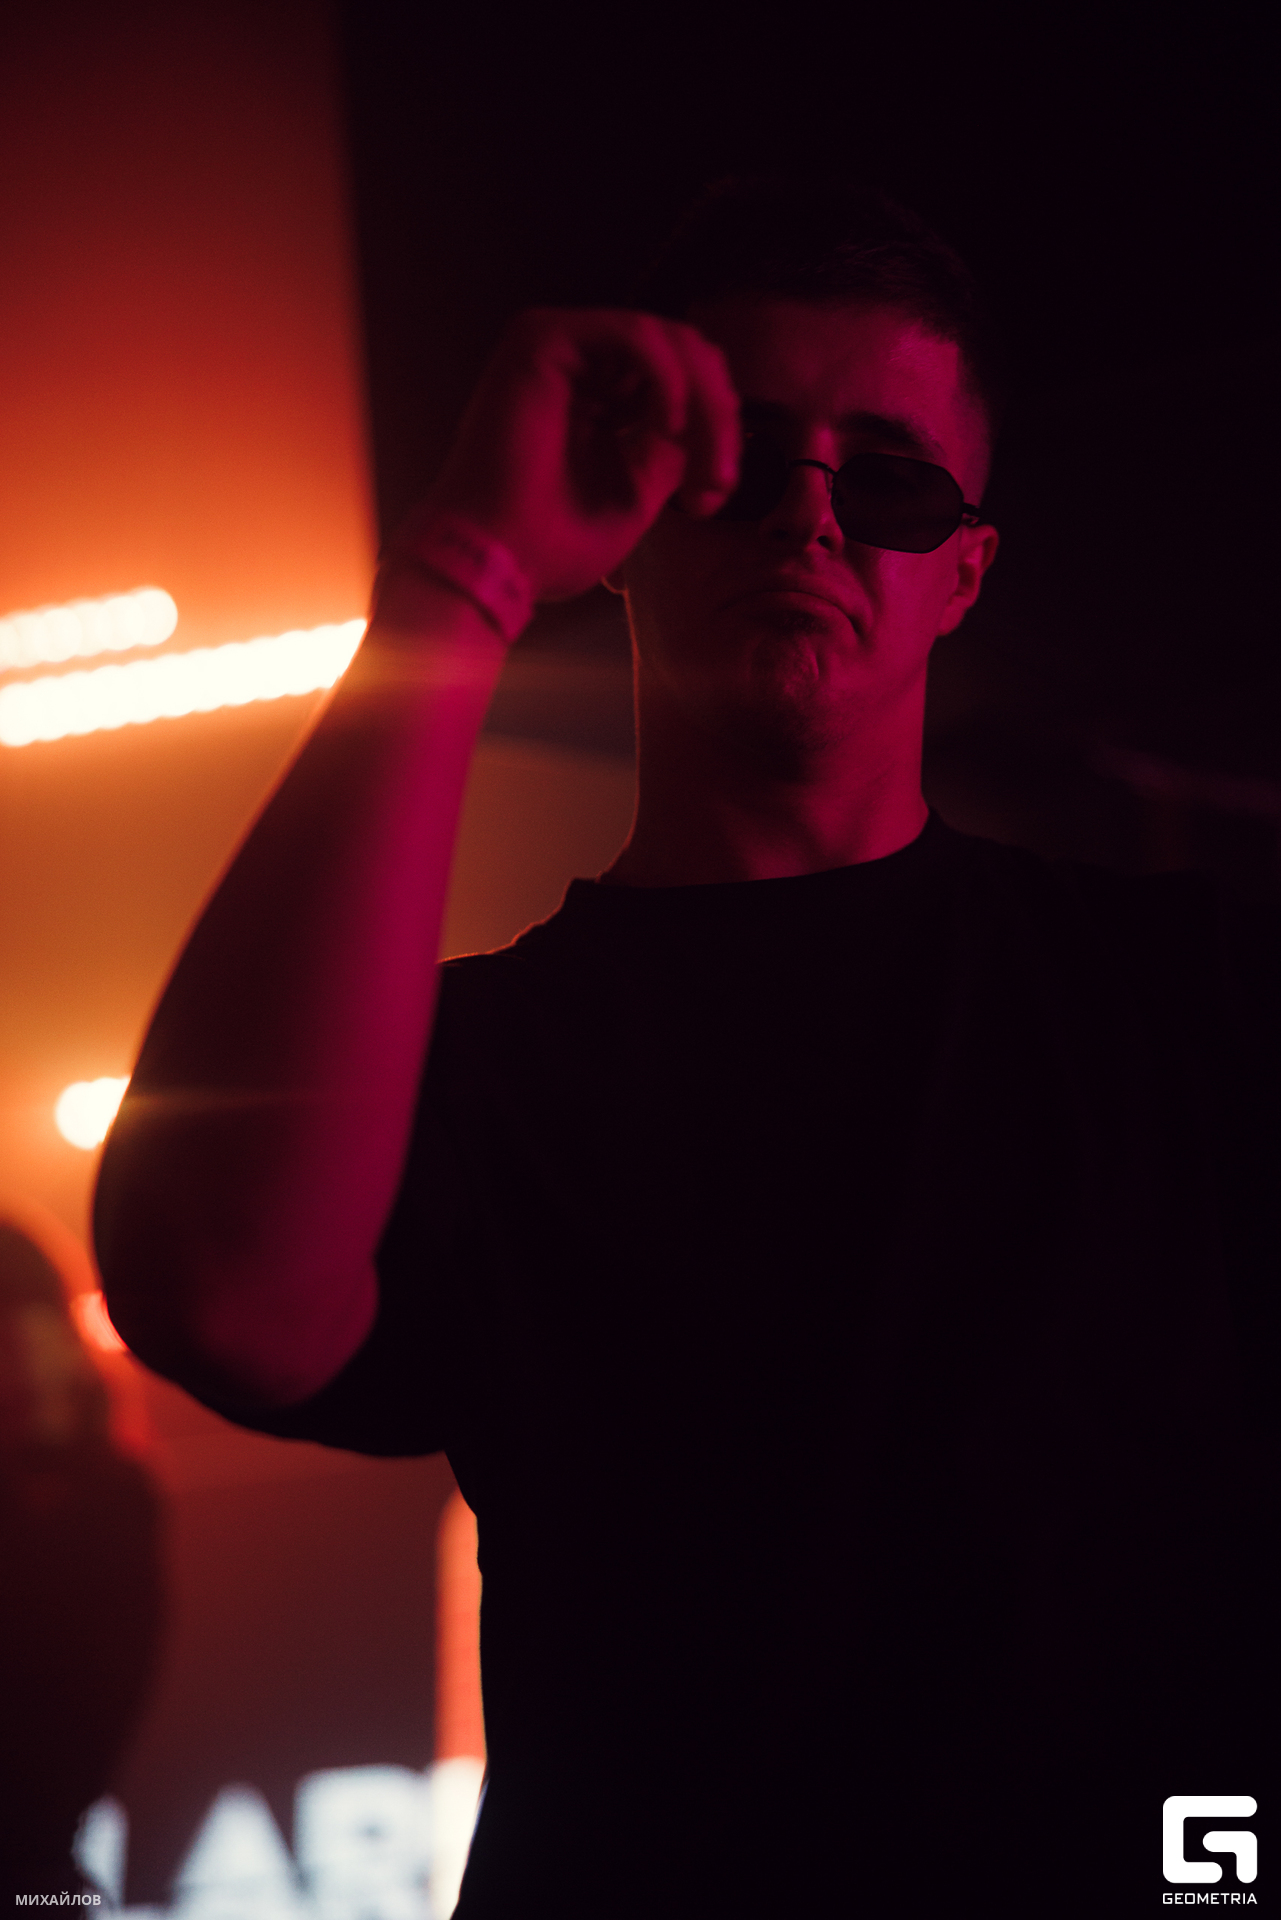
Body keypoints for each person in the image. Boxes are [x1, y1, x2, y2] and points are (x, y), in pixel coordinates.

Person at [93, 180, 1275, 1916]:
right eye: (744, 463)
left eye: (887, 480)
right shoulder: (485, 1065)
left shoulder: (1184, 996)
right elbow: (218, 1295)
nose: (808, 513)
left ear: (962, 572)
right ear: (643, 516)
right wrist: (462, 570)